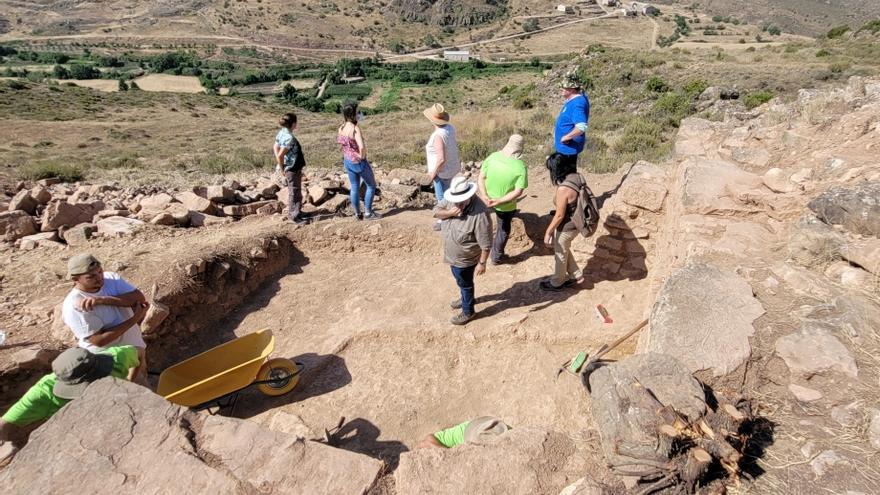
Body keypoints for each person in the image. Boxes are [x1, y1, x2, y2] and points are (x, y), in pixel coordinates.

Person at [0, 345, 140, 465]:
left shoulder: (116, 357)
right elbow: (4, 423)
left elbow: (139, 352)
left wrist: (131, 382)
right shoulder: (43, 394)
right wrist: (4, 448)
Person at [61, 254, 149, 384]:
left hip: (134, 353)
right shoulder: (74, 305)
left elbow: (138, 298)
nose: (99, 277)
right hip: (110, 364)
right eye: (91, 276)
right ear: (76, 279)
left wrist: (102, 300)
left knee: (144, 389)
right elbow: (99, 340)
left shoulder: (111, 278)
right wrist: (134, 319)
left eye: (100, 271)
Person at [433, 177, 492, 325]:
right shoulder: (451, 200)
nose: (457, 203)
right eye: (456, 200)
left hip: (466, 259)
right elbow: (437, 213)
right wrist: (450, 213)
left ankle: (468, 311)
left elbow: (486, 243)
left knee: (465, 282)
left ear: (469, 196)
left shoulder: (480, 214)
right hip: (452, 256)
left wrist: (482, 263)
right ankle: (465, 297)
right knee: (461, 281)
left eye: (461, 201)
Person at [477, 134, 528, 265]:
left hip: (486, 200)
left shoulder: (492, 157)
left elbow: (481, 177)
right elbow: (518, 191)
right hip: (505, 205)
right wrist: (499, 201)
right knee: (503, 230)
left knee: (481, 225)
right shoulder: (520, 166)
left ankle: (478, 249)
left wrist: (484, 196)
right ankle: (496, 257)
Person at [541, 157, 584, 291]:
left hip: (567, 226)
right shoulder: (577, 177)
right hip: (577, 221)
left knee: (559, 253)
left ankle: (557, 282)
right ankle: (576, 275)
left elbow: (559, 215)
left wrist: (548, 232)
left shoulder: (563, 189)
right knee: (563, 249)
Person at [337, 103, 380, 220]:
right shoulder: (355, 129)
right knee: (371, 185)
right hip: (358, 162)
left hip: (347, 160)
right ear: (353, 114)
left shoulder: (341, 127)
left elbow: (341, 144)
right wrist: (362, 157)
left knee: (354, 187)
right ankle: (368, 213)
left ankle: (357, 214)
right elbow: (361, 147)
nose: (360, 114)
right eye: (358, 112)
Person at [424, 103, 461, 231]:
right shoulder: (450, 128)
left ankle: (442, 220)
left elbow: (440, 158)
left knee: (441, 197)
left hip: (441, 171)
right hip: (452, 166)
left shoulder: (437, 136)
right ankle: (454, 213)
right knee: (449, 193)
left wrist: (433, 173)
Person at [275, 112, 309, 225]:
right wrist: (282, 168)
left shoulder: (281, 133)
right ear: (294, 124)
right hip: (292, 167)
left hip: (291, 166)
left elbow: (275, 147)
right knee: (294, 192)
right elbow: (280, 154)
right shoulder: (289, 138)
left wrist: (281, 162)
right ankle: (294, 216)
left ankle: (297, 211)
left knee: (296, 191)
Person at [553, 70, 591, 170]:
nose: (561, 89)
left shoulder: (577, 104)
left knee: (566, 177)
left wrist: (566, 137)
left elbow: (581, 127)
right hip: (566, 148)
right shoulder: (576, 99)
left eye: (564, 87)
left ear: (572, 90)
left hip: (568, 149)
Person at [417, 416, 509, 449]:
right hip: (473, 429)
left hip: (476, 428)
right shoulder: (444, 438)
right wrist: (447, 452)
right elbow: (425, 441)